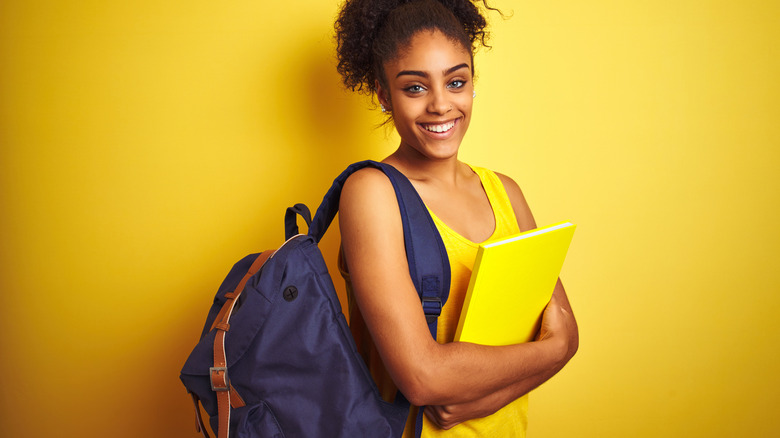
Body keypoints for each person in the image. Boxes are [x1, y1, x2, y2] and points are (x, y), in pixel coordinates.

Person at [334, 0, 579, 436]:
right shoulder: (373, 193)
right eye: (415, 88)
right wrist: (553, 350)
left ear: (471, 85)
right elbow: (423, 376)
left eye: (456, 81)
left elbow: (567, 330)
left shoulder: (506, 192)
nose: (441, 105)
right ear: (383, 94)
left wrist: (483, 399)